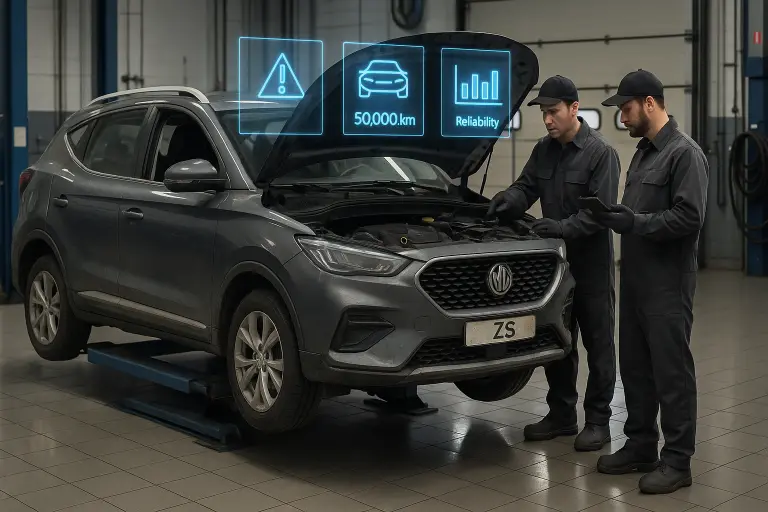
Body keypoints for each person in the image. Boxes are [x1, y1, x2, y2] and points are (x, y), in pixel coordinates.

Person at [588, 69, 708, 494]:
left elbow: (690, 217)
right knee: (635, 368)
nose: (622, 115)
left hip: (667, 285)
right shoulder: (642, 154)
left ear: (650, 103)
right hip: (636, 280)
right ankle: (640, 444)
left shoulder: (684, 154)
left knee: (671, 372)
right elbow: (638, 215)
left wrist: (634, 221)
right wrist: (616, 217)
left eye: (626, 107)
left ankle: (678, 461)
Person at [486, 75, 620, 452]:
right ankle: (562, 415)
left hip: (591, 267)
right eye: (543, 113)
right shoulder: (544, 150)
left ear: (573, 109)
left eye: (553, 111)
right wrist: (507, 199)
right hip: (556, 270)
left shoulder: (600, 154)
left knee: (598, 345)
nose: (547, 119)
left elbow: (600, 215)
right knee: (559, 343)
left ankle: (598, 422)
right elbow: (526, 186)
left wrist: (559, 227)